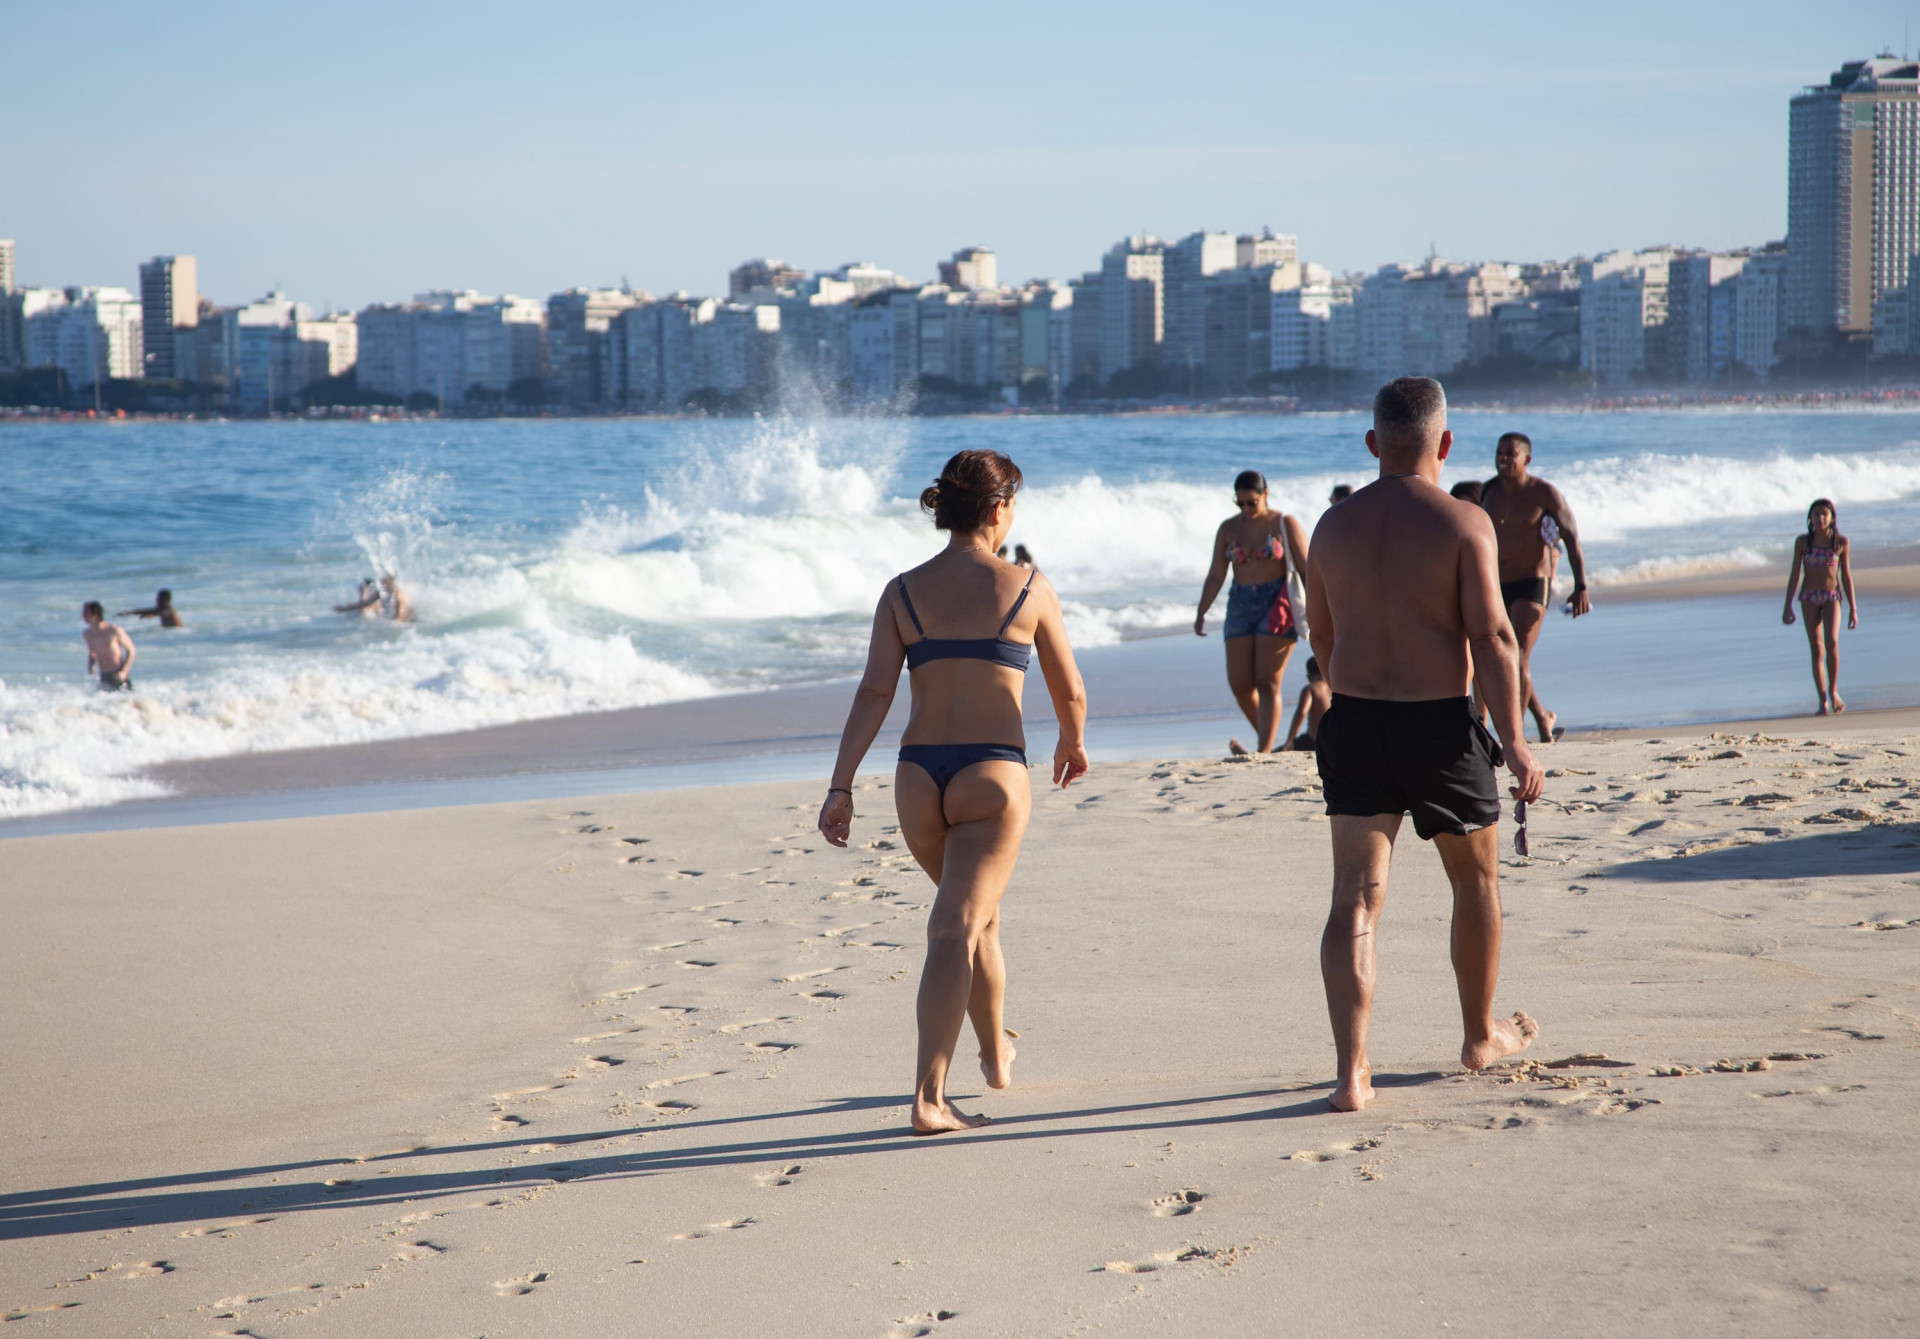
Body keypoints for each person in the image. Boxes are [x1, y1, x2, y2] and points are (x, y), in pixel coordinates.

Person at [818, 450, 1089, 1135]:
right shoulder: (1028, 586)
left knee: (977, 917)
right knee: (955, 926)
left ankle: (997, 1055)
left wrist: (841, 785)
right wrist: (1071, 741)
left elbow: (876, 690)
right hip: (993, 775)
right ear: (999, 511)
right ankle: (929, 1098)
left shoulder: (902, 591)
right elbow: (1071, 687)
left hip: (917, 779)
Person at [1303, 377, 1545, 1113]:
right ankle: (1479, 1034)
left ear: (1374, 443)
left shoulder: (1330, 527)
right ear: (1445, 443)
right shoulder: (1464, 522)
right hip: (1438, 726)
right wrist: (1516, 740)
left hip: (1353, 723)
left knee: (1355, 895)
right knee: (1474, 883)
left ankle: (1353, 1073)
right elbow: (1495, 637)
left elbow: (1323, 636)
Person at [1479, 432, 1589, 743]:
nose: (1503, 458)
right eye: (1499, 452)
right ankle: (1543, 718)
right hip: (1495, 584)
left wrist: (1581, 585)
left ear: (1526, 459)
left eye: (1510, 453)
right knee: (1499, 654)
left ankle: (1513, 735)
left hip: (1533, 582)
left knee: (1518, 656)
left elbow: (1571, 538)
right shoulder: (1488, 491)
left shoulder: (1544, 494)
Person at [1194, 470, 1310, 755]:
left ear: (1265, 495)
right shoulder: (1228, 529)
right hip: (1240, 603)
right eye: (1240, 503)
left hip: (1277, 604)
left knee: (1268, 681)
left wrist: (1321, 609)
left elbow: (1308, 568)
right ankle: (1269, 743)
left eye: (1251, 502)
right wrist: (1201, 611)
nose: (1246, 509)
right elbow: (1215, 575)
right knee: (1240, 684)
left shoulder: (1285, 523)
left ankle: (1264, 750)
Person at [1782, 498, 1858, 714]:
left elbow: (1846, 576)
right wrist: (1788, 605)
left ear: (1832, 517)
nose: (1820, 518)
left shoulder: (1841, 542)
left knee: (1832, 642)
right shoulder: (1803, 543)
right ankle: (1822, 699)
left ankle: (1833, 692)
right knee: (1816, 649)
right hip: (1808, 597)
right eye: (1816, 514)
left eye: (1825, 514)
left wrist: (1853, 608)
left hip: (1832, 596)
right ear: (1810, 518)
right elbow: (1795, 574)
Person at [82, 601, 136, 691]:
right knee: (106, 704)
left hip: (118, 674)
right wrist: (91, 665)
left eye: (86, 613)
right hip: (104, 675)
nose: (83, 616)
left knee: (127, 703)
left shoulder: (113, 630)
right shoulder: (87, 634)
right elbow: (92, 652)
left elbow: (131, 650)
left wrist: (124, 671)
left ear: (96, 614)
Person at [1282, 655, 1331, 751]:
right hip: (1335, 740)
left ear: (1309, 677)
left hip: (1315, 741)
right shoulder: (1335, 688)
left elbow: (1301, 713)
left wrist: (1290, 739)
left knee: (1277, 751)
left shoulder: (1311, 689)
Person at [117, 588, 183, 628]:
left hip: (178, 635)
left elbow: (160, 613)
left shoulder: (170, 610)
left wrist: (152, 615)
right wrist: (129, 613)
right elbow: (147, 610)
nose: (156, 600)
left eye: (159, 598)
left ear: (166, 599)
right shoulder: (162, 609)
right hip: (171, 634)